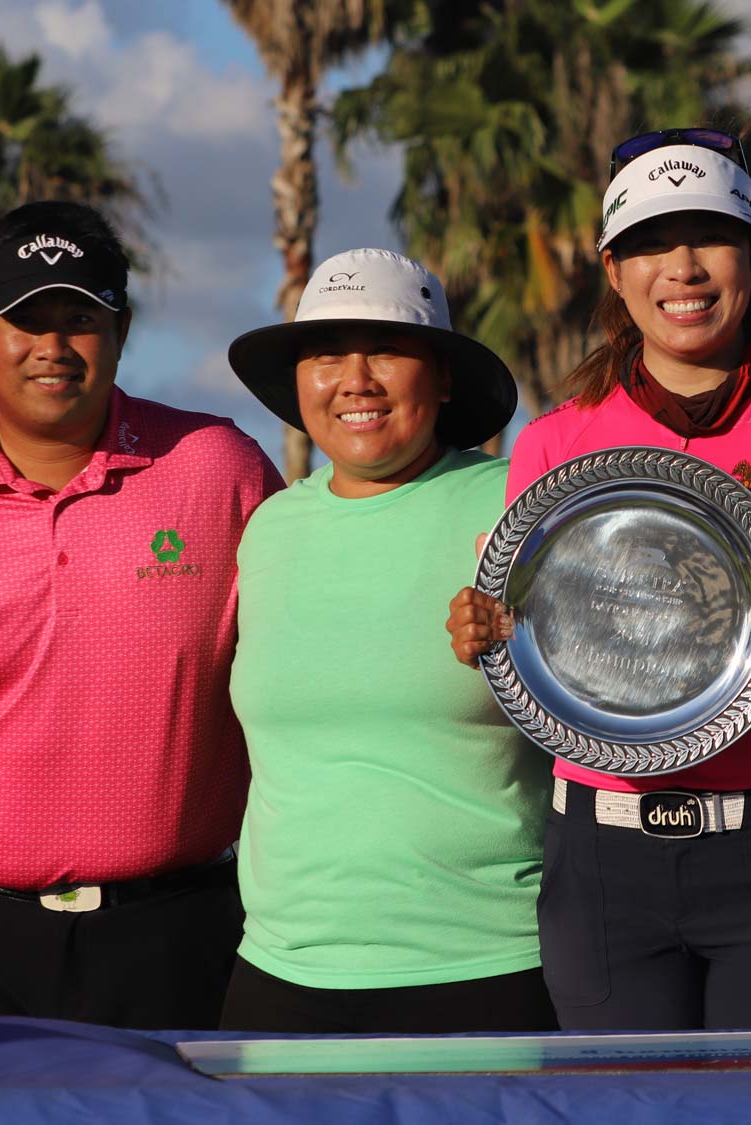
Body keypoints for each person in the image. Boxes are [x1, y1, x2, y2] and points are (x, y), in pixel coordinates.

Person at [447, 129, 751, 1031]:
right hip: (603, 857)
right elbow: (549, 662)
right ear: (615, 271)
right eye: (652, 243)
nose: (684, 267)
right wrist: (485, 639)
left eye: (708, 236)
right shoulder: (554, 443)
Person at [0, 200, 283, 1029]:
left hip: (179, 931)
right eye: (25, 320)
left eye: (78, 318)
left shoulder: (217, 468)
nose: (51, 346)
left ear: (120, 331)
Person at [215, 248, 553, 1034]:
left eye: (389, 349)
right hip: (281, 972)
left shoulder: (518, 504)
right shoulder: (268, 528)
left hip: (488, 968)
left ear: (442, 378)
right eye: (327, 353)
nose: (356, 378)